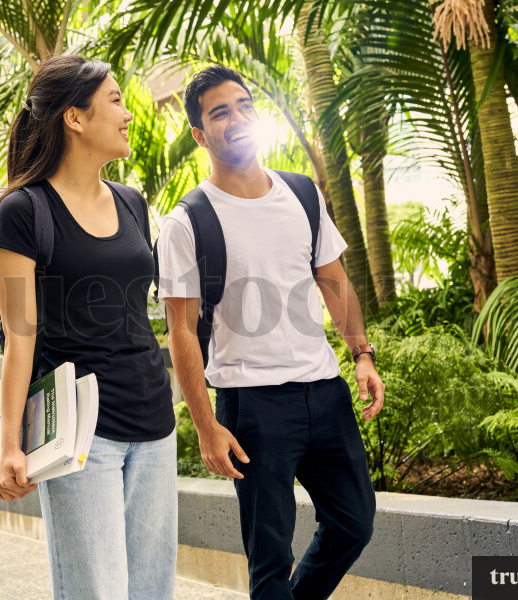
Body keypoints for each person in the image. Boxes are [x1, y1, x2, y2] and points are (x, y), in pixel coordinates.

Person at [157, 64, 384, 600]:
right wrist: (206, 424)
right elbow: (181, 332)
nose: (236, 118)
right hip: (252, 405)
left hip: (324, 392)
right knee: (269, 560)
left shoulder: (301, 194)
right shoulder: (187, 222)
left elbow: (332, 279)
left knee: (354, 523)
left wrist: (363, 355)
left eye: (243, 106)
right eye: (219, 112)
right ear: (199, 134)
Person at [0, 55, 177, 600]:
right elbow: (18, 340)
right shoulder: (23, 212)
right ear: (74, 117)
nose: (126, 113)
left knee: (151, 590)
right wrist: (9, 447)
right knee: (97, 592)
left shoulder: (131, 202)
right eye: (114, 100)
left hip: (153, 423)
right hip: (80, 437)